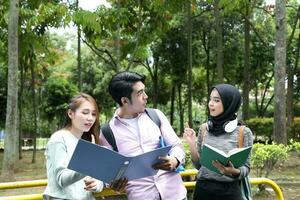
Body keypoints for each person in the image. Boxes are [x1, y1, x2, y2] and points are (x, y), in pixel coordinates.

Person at [99, 71, 187, 200]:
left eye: (144, 91)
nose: (146, 96)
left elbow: (177, 146)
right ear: (125, 100)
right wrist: (114, 183)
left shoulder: (156, 116)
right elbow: (108, 172)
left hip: (175, 194)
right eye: (140, 93)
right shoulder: (107, 132)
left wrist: (175, 160)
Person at [184, 84, 253, 200]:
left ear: (229, 104)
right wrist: (191, 144)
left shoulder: (244, 132)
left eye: (216, 100)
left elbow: (246, 168)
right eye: (210, 99)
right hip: (203, 190)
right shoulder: (204, 129)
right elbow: (198, 165)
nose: (210, 103)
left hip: (230, 192)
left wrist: (233, 171)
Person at [43, 93, 104, 200]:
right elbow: (62, 179)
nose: (90, 118)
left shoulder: (88, 141)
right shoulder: (59, 139)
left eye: (94, 114)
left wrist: (97, 184)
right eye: (85, 113)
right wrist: (87, 164)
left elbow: (94, 177)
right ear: (71, 114)